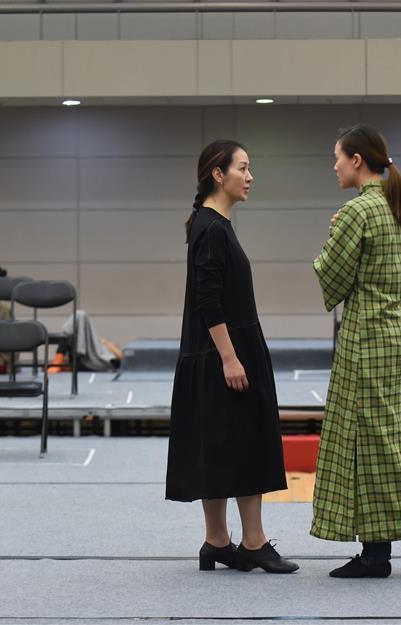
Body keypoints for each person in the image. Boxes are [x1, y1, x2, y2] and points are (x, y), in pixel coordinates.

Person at [311, 125, 401, 579]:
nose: (334, 165)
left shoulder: (357, 211)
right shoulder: (393, 208)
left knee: (374, 441)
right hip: (394, 333)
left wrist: (332, 234)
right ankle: (386, 549)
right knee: (392, 438)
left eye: (337, 157)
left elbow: (331, 277)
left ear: (357, 160)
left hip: (366, 338)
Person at [165, 140, 297, 574]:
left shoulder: (210, 224)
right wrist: (230, 357)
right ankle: (252, 542)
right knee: (245, 443)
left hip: (218, 352)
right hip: (225, 353)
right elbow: (209, 300)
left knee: (220, 446)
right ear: (218, 174)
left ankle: (217, 541)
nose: (250, 176)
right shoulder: (212, 228)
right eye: (243, 167)